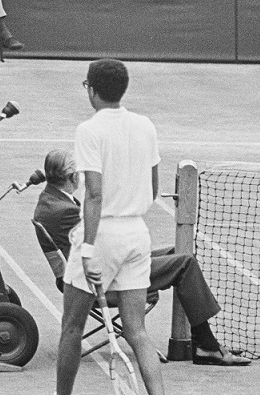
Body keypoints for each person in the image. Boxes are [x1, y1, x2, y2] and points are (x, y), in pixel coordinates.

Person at [35, 148, 251, 367]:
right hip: (103, 279)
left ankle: (203, 341)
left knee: (176, 252)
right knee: (185, 264)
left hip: (97, 270)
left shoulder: (50, 200)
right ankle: (207, 346)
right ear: (72, 177)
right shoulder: (64, 211)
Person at [55, 59, 166, 395]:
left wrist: (88, 248)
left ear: (91, 89)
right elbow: (154, 186)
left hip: (102, 237)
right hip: (137, 235)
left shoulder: (89, 130)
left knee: (72, 327)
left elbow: (94, 193)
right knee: (137, 330)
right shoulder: (146, 125)